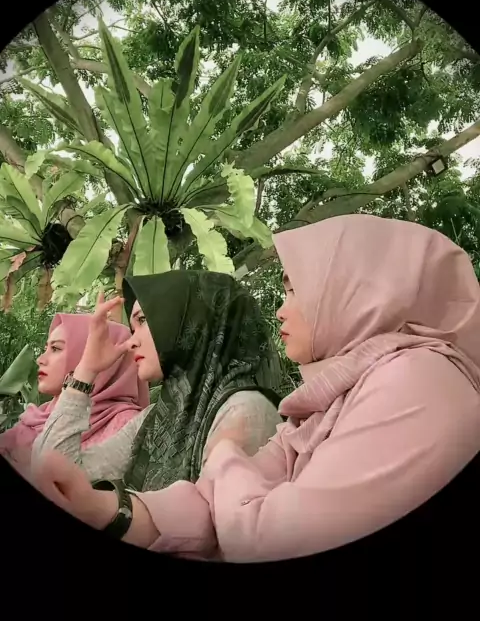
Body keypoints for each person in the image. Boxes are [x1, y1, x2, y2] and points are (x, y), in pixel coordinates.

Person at [33, 214, 480, 562]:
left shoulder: (418, 380)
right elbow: (210, 505)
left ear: (359, 290)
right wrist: (105, 510)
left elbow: (272, 538)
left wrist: (225, 455)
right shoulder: (325, 402)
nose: (281, 311)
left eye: (294, 289)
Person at [31, 271, 283, 488]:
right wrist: (86, 369)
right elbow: (54, 475)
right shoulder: (156, 418)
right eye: (133, 328)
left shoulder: (243, 411)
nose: (132, 341)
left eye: (142, 321)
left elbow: (215, 518)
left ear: (189, 321)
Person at [0, 312, 149, 472]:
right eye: (46, 348)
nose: (40, 359)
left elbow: (55, 475)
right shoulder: (36, 417)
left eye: (55, 348)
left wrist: (84, 374)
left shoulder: (126, 424)